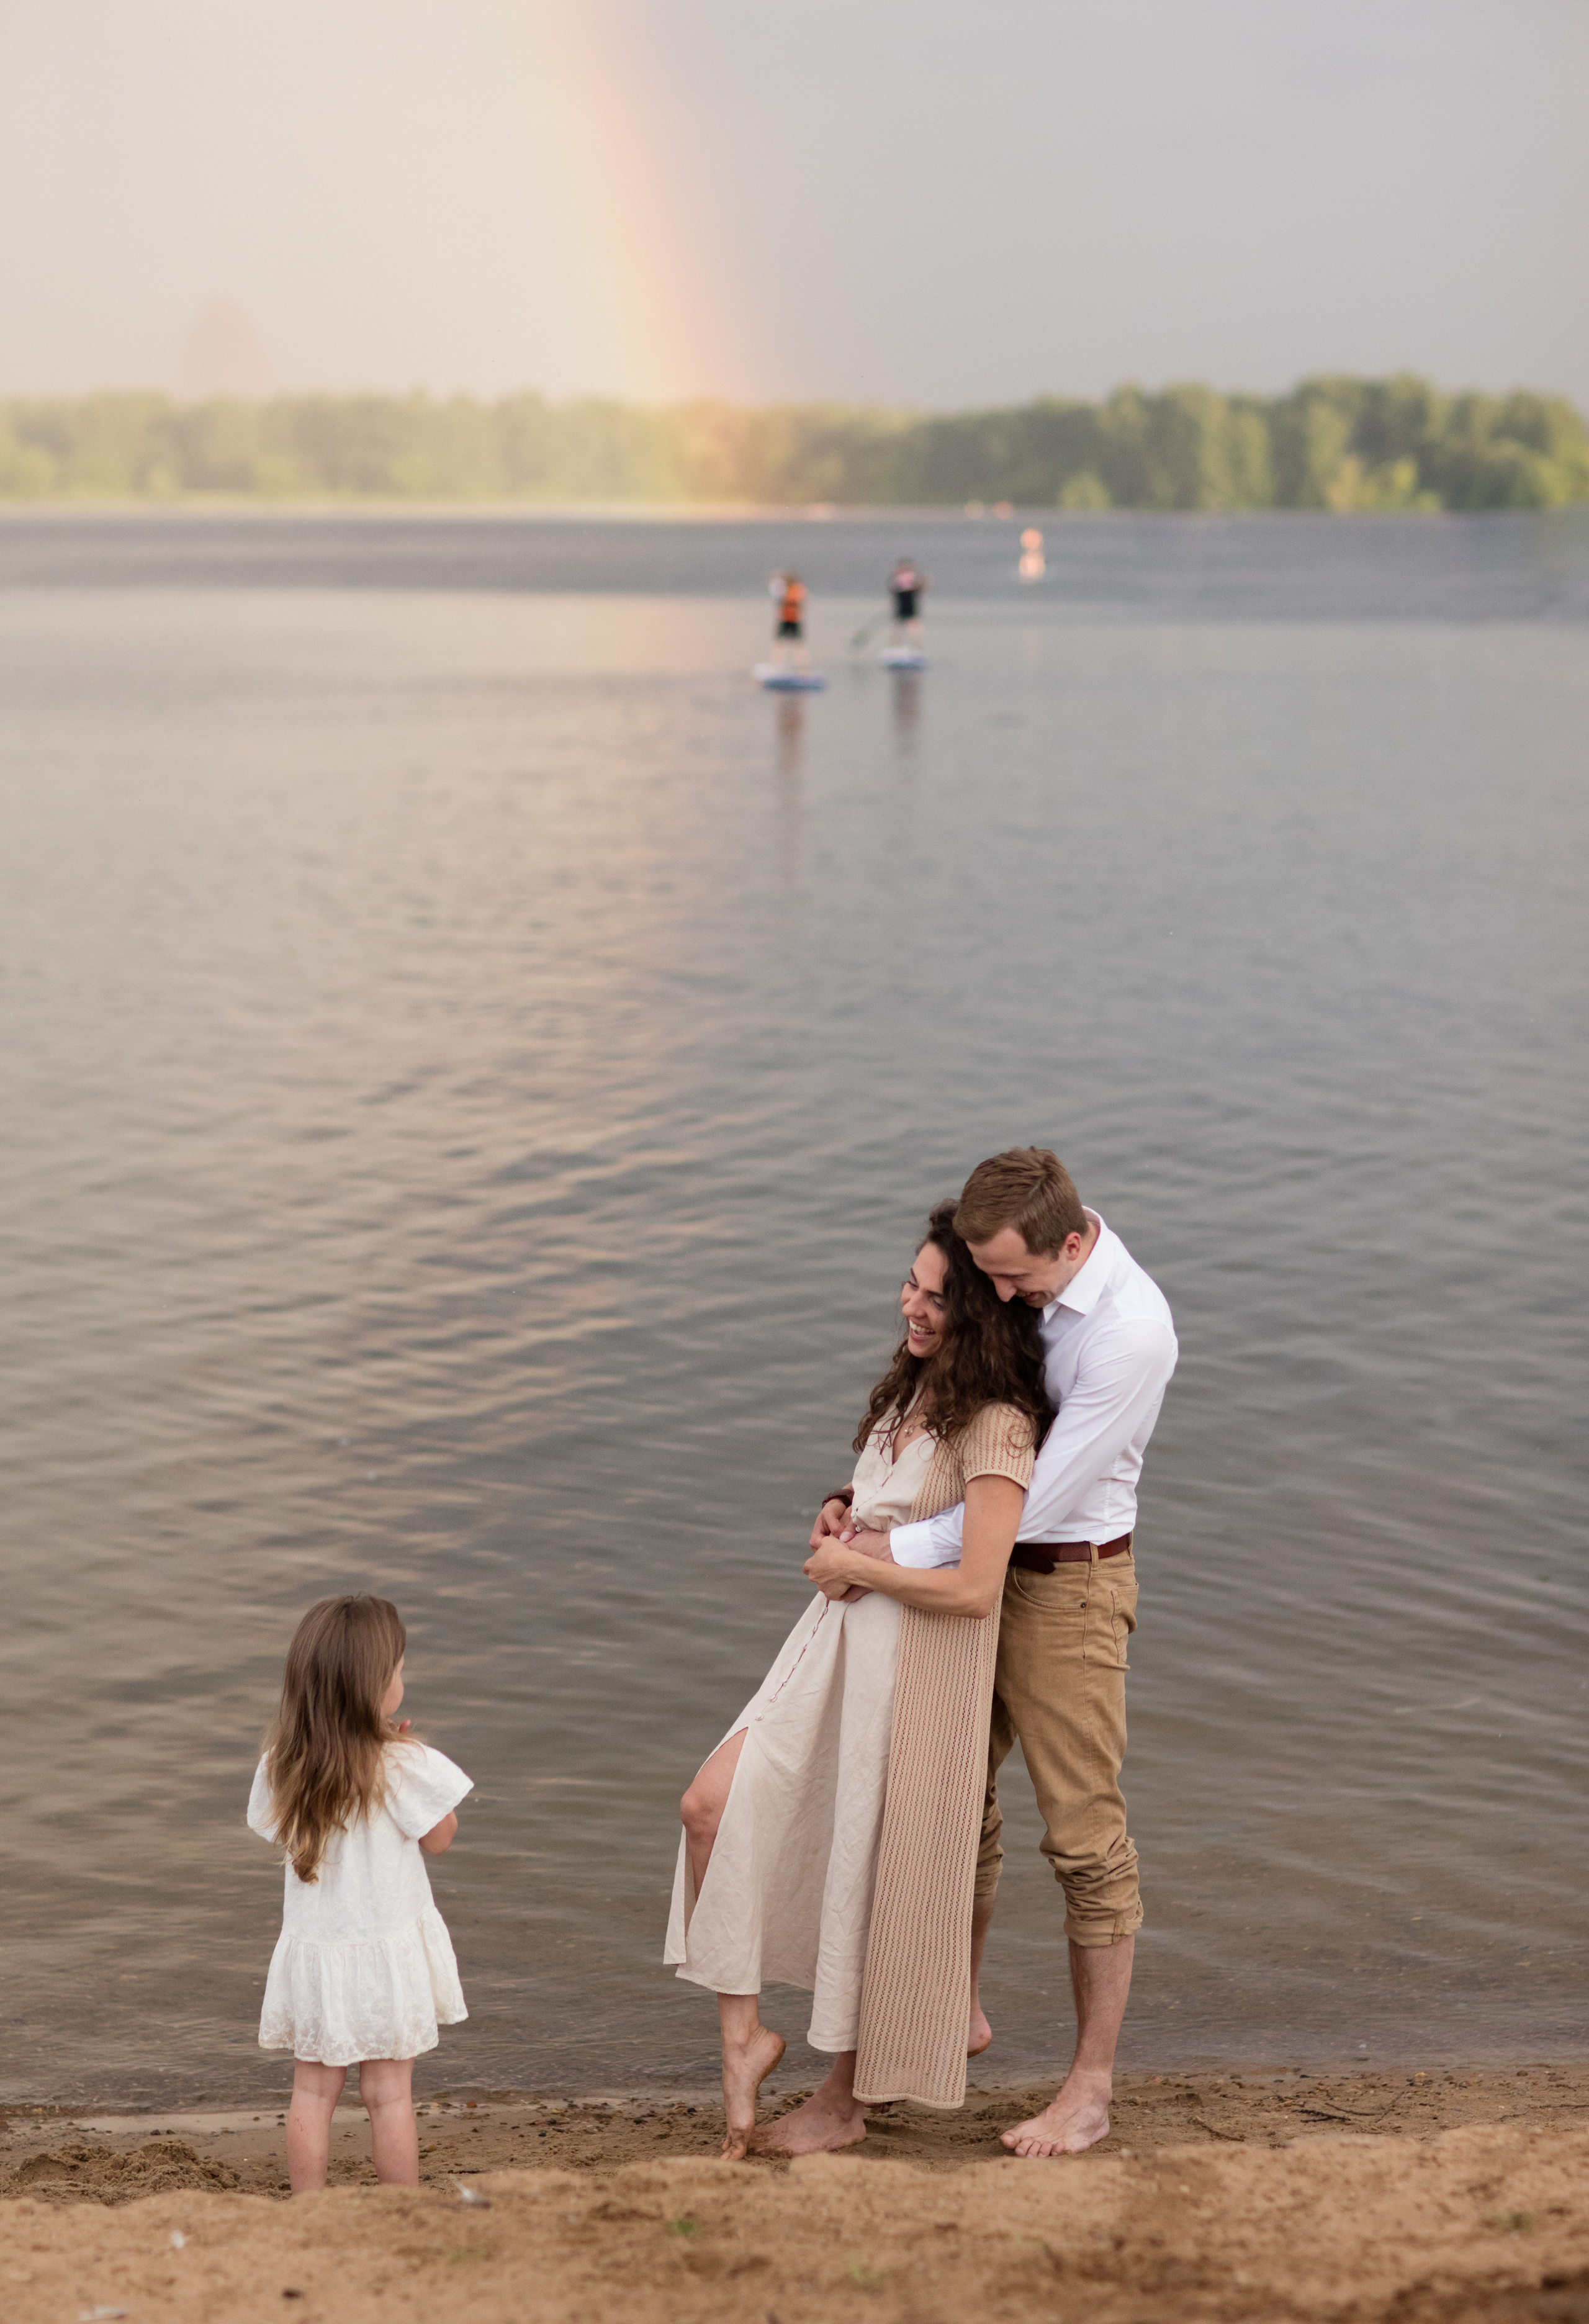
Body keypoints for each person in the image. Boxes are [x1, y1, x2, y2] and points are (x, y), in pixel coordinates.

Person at [811, 1147, 1177, 2158]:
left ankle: (1090, 2086)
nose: (999, 1294)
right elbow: (959, 1424)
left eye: (1012, 1277)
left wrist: (881, 1551)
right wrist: (862, 1504)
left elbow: (1033, 1500)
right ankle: (947, 2013)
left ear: (1070, 1240)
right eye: (988, 1275)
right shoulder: (1023, 1261)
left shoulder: (1130, 1334)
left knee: (1086, 1839)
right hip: (974, 1566)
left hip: (1067, 1586)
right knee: (942, 1802)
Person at [666, 1202, 1051, 2159]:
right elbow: (890, 1508)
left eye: (934, 1299)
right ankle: (745, 2043)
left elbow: (974, 1587)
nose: (912, 1309)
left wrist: (860, 1567)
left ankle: (845, 2095)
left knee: (868, 1875)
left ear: (979, 1315)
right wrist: (839, 1515)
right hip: (831, 1646)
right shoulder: (911, 1392)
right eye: (911, 1287)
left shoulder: (998, 1426)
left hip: (910, 1671)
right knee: (708, 1805)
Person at [248, 1593, 472, 2193]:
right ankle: (402, 2206)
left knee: (313, 2093)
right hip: (385, 1954)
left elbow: (274, 1830)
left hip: (318, 1954)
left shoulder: (283, 1763)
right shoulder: (400, 1763)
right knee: (390, 2095)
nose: (403, 1678)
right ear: (375, 1686)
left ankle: (308, 2207)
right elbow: (442, 1838)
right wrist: (407, 1752)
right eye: (398, 1670)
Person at [768, 570, 810, 671]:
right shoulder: (782, 589)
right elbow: (773, 586)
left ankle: (803, 667)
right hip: (784, 619)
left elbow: (802, 604)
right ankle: (776, 666)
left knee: (798, 644)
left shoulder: (799, 589)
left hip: (795, 620)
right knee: (780, 643)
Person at [888, 557, 926, 649]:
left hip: (911, 604)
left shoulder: (914, 578)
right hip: (902, 604)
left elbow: (921, 588)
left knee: (913, 624)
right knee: (899, 624)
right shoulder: (897, 578)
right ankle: (896, 646)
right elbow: (892, 589)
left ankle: (916, 646)